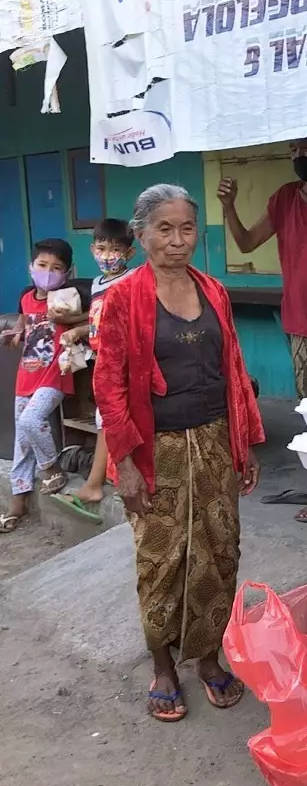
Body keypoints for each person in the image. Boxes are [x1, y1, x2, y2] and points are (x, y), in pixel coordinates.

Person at [93, 184, 265, 722]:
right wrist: (122, 464)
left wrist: (245, 443)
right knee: (161, 557)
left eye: (186, 228)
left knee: (219, 550)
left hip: (214, 440)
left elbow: (234, 371)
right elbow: (109, 385)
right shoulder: (121, 298)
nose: (176, 240)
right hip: (155, 449)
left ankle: (208, 659)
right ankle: (163, 664)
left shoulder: (213, 290)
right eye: (163, 229)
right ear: (141, 235)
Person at [217, 135, 307, 523]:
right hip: (298, 318)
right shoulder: (284, 199)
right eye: (294, 151)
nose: (300, 157)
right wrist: (228, 207)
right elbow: (246, 243)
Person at [49, 219, 136, 523]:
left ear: (130, 252)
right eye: (101, 248)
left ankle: (95, 485)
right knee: (107, 418)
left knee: (109, 418)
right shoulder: (98, 284)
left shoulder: (132, 280)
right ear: (92, 249)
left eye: (115, 249)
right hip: (103, 360)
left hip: (123, 361)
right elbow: (100, 318)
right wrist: (79, 327)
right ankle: (100, 481)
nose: (108, 255)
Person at [0, 239, 89, 533]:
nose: (48, 272)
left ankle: (52, 468)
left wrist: (72, 319)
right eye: (42, 265)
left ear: (66, 273)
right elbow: (26, 328)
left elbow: (100, 314)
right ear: (31, 267)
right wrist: (15, 335)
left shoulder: (67, 297)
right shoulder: (26, 298)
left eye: (56, 268)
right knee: (22, 441)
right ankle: (19, 498)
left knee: (30, 420)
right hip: (27, 375)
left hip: (55, 374)